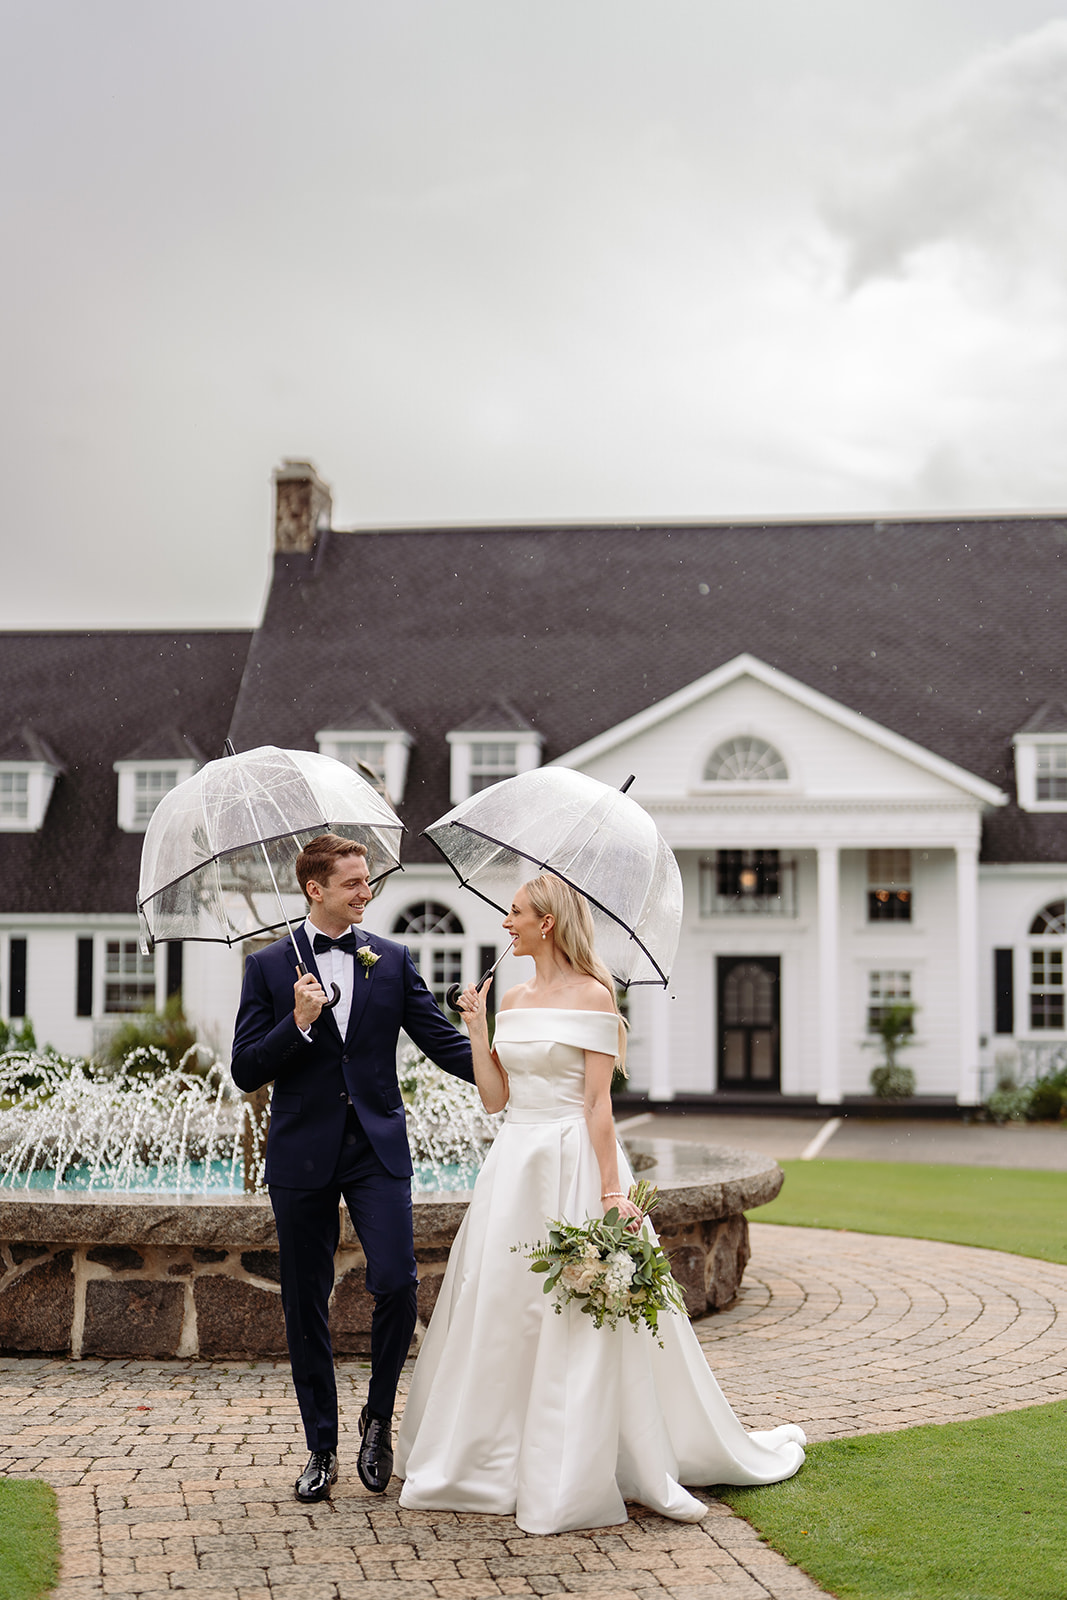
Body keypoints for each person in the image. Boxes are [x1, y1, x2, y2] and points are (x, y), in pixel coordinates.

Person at [396, 873, 805, 1535]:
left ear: (547, 923)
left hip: (571, 1164)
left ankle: (578, 1457)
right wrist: (475, 1027)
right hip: (513, 1167)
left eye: (516, 912)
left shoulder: (593, 993)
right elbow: (496, 1099)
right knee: (501, 1304)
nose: (506, 923)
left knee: (578, 1306)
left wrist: (611, 1194)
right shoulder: (514, 996)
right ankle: (486, 1455)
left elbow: (595, 1104)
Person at [231, 832, 474, 1505]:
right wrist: (299, 1022)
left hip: (376, 1149)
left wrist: (508, 1058)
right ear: (315, 889)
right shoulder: (270, 968)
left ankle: (377, 1421)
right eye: (353, 884)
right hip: (301, 1152)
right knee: (303, 1300)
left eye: (367, 881)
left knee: (395, 1281)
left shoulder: (391, 961)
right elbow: (245, 1066)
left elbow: (442, 1044)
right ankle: (320, 1446)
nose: (367, 892)